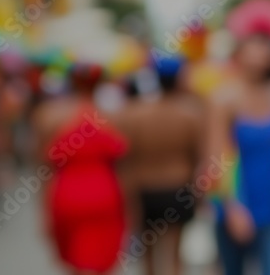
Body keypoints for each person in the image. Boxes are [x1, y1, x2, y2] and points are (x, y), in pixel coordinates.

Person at [207, 0, 270, 275]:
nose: (264, 50)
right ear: (239, 47)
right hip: (238, 205)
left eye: (269, 43)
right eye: (256, 42)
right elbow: (216, 157)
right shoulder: (223, 97)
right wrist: (233, 207)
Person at [32, 63, 128, 275]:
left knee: (75, 262)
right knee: (104, 259)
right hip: (105, 194)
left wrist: (43, 211)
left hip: (66, 195)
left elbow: (41, 169)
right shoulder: (114, 116)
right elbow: (124, 167)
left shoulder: (48, 115)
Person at [116, 56, 204, 275]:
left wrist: (128, 197)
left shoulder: (135, 114)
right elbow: (198, 157)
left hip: (145, 189)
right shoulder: (190, 114)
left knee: (148, 256)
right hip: (178, 188)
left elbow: (126, 159)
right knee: (175, 255)